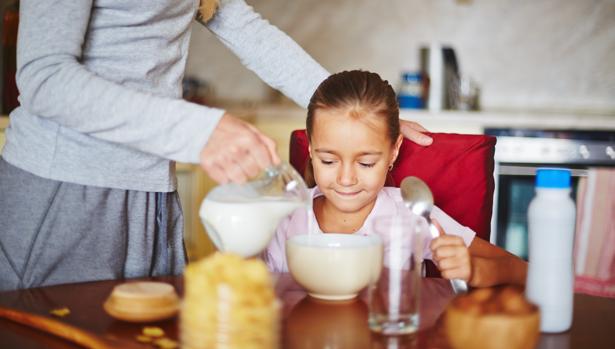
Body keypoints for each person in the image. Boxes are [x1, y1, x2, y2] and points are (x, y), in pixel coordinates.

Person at [0, 1, 431, 291]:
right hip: (64, 188)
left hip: (151, 185)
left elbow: (244, 28)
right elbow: (44, 77)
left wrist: (359, 116)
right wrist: (202, 129)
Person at [263, 70, 527, 287]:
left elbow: (521, 270)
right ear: (310, 148)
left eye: (366, 163)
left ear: (394, 150)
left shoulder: (411, 214)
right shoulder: (287, 215)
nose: (345, 179)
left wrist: (474, 269)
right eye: (328, 161)